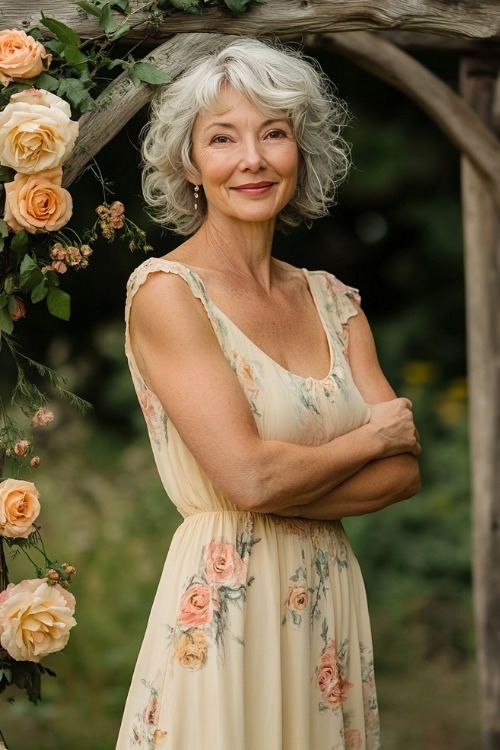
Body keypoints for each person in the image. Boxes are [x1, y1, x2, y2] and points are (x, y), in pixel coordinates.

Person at [116, 37, 421, 750]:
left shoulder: (332, 300)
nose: (251, 158)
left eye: (273, 133)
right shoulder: (168, 294)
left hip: (328, 609)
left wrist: (267, 482)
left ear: (300, 152)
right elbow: (250, 479)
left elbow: (405, 474)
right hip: (227, 605)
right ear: (190, 164)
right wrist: (368, 439)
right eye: (222, 138)